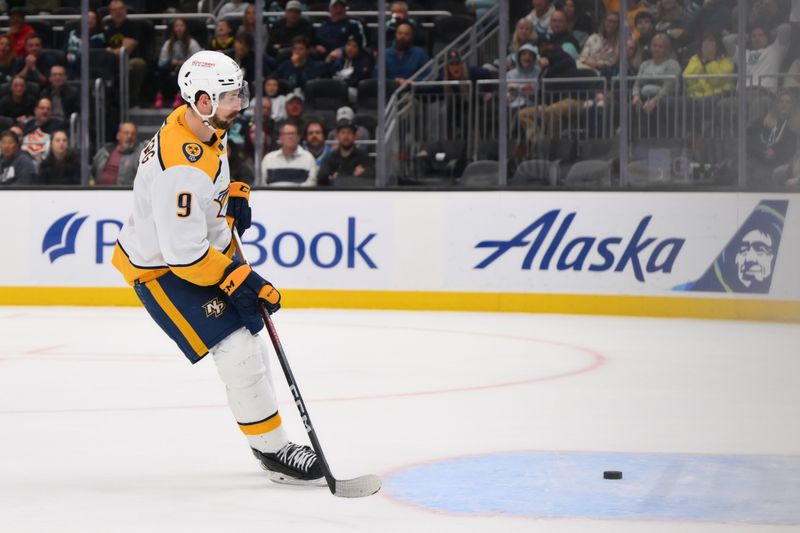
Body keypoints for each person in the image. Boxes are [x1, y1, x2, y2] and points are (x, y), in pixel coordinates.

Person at [111, 50, 325, 485]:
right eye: (231, 96)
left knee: (250, 342)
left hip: (195, 255)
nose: (240, 103)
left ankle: (266, 437)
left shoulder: (202, 124)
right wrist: (241, 278)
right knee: (239, 351)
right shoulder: (179, 168)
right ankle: (274, 452)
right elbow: (183, 255)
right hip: (163, 272)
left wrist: (231, 197)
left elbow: (210, 176)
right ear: (202, 99)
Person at [747, 91, 798, 189]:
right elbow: (749, 139)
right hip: (759, 158)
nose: (784, 105)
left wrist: (775, 152)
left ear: (793, 105)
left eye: (788, 102)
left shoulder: (795, 126)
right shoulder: (764, 120)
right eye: (780, 102)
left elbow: (791, 148)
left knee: (762, 175)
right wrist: (762, 152)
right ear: (776, 104)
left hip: (780, 163)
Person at [104, 0, 148, 108]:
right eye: (115, 10)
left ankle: (132, 100)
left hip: (128, 60)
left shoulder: (133, 26)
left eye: (121, 9)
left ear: (125, 10)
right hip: (109, 62)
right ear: (110, 12)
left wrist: (110, 51)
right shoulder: (107, 29)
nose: (118, 12)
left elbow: (125, 51)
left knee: (138, 64)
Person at [155, 18, 203, 109]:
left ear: (185, 28)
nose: (179, 28)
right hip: (171, 67)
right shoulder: (168, 43)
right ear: (173, 29)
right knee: (162, 71)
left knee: (181, 71)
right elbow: (161, 61)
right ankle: (160, 96)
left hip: (187, 69)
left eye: (181, 26)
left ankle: (180, 95)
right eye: (177, 26)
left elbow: (198, 59)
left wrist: (183, 63)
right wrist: (172, 62)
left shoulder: (192, 43)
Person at [317, 119, 374, 185]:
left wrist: (338, 176)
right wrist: (353, 174)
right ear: (337, 136)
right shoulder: (329, 158)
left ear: (355, 136)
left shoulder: (363, 157)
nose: (346, 136)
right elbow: (322, 177)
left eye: (349, 133)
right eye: (343, 133)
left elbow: (372, 175)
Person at [261, 120, 317, 186]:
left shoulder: (308, 158)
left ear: (298, 137)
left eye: (293, 134)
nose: (290, 137)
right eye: (287, 134)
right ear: (280, 138)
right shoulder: (268, 158)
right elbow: (262, 183)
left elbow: (311, 184)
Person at [91, 121, 144, 185]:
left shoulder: (139, 153)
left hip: (124, 193)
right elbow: (93, 171)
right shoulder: (105, 151)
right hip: (97, 192)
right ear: (118, 136)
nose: (130, 136)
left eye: (133, 134)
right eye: (126, 133)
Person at [326, 34, 373, 103]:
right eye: (348, 45)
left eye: (354, 46)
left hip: (354, 91)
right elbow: (328, 75)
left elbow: (357, 82)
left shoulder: (364, 61)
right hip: (336, 88)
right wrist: (328, 60)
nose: (350, 48)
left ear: (359, 48)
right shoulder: (339, 59)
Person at [64, 9, 106, 78]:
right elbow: (65, 47)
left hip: (87, 65)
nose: (90, 20)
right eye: (88, 17)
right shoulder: (72, 33)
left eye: (93, 18)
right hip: (68, 62)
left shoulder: (100, 36)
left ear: (97, 22)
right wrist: (66, 54)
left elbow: (90, 50)